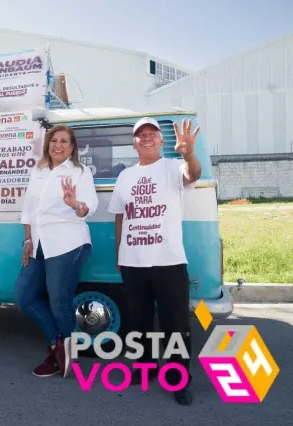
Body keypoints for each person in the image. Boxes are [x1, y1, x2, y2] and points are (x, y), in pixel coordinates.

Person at [107, 117, 202, 406]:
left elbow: (193, 174)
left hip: (169, 261)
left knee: (175, 324)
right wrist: (119, 253)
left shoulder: (173, 166)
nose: (146, 138)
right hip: (133, 262)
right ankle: (145, 368)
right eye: (140, 135)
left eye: (152, 134)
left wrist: (187, 153)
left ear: (161, 141)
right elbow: (120, 215)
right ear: (134, 143)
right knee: (139, 321)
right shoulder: (125, 176)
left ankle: (178, 380)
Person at [15, 125, 99, 378]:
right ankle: (57, 345)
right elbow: (28, 209)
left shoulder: (79, 172)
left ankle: (62, 352)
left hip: (68, 242)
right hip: (39, 244)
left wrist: (75, 204)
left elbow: (89, 208)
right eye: (54, 140)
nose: (58, 145)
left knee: (58, 300)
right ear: (48, 145)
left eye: (64, 141)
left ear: (72, 147)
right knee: (24, 296)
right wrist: (27, 241)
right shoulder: (38, 171)